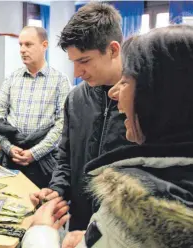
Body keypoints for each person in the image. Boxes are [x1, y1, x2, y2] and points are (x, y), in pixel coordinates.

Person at [24, 25, 193, 248]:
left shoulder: (138, 209)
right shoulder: (76, 99)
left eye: (127, 82)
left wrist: (40, 231)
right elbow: (66, 156)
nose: (116, 93)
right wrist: (92, 233)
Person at [31, 2, 132, 231]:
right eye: (73, 62)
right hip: (79, 223)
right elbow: (66, 157)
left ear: (114, 50)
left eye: (84, 61)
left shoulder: (142, 99)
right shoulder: (76, 99)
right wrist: (57, 190)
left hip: (121, 231)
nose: (77, 73)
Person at [0, 26, 70, 189]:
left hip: (44, 163)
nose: (22, 50)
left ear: (44, 45)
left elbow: (62, 125)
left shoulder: (60, 81)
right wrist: (9, 147)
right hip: (11, 159)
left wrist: (34, 153)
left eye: (28, 44)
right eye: (20, 45)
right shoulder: (12, 78)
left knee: (41, 208)